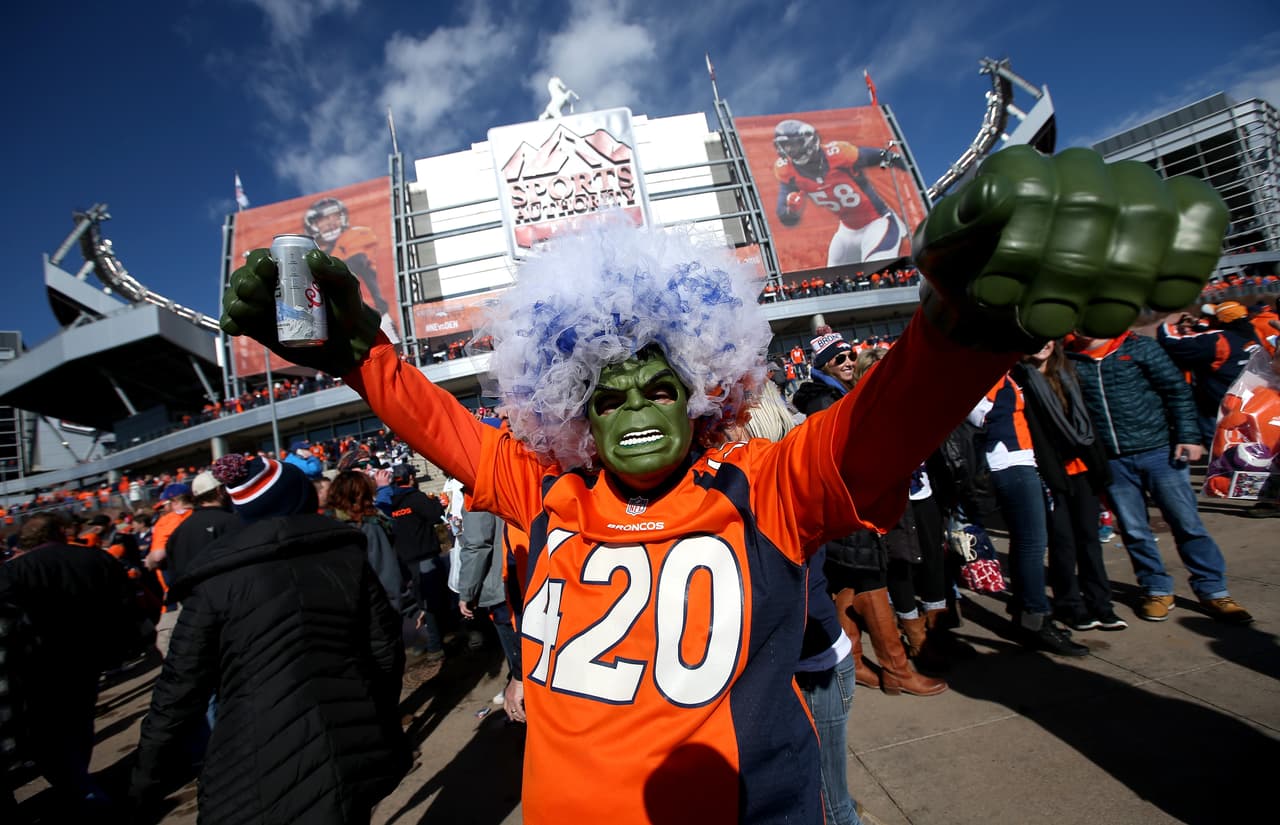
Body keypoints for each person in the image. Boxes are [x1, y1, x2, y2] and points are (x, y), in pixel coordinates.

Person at [222, 145, 1228, 824]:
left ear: (699, 384)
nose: (636, 411)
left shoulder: (765, 486)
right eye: (606, 396)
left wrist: (958, 331)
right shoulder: (543, 492)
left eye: (658, 383)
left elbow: (879, 426)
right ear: (571, 409)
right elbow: (441, 425)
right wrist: (364, 360)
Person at [130, 454, 410, 824]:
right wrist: (373, 712)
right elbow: (386, 652)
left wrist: (145, 777)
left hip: (254, 765)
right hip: (343, 747)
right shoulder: (345, 555)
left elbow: (178, 690)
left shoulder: (218, 582)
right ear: (297, 498)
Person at [794, 333, 951, 688]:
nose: (849, 362)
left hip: (854, 499)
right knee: (870, 579)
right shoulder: (823, 399)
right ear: (823, 367)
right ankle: (897, 670)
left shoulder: (838, 393)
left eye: (850, 355)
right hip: (847, 499)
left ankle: (858, 662)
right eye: (838, 359)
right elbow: (840, 453)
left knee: (850, 583)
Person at [1066, 329, 1253, 624]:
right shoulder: (1067, 357)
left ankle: (1214, 590)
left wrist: (1188, 436)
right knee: (1134, 529)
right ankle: (1155, 588)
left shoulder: (1140, 347)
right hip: (1112, 460)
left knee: (1187, 523)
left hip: (1159, 450)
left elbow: (1176, 390)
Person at [1, 512, 145, 819]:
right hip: (89, 656)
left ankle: (82, 791)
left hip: (41, 665)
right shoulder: (95, 558)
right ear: (58, 532)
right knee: (80, 721)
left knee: (48, 732)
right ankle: (81, 781)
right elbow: (125, 603)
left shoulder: (14, 571)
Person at [1015, 341, 1126, 632]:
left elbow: (1091, 418)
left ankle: (1102, 605)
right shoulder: (1019, 379)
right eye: (1035, 339)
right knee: (1062, 543)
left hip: (1084, 468)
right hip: (1050, 472)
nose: (1042, 344)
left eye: (1048, 338)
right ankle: (1070, 605)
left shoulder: (1071, 371)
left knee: (1089, 539)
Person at [773, 118, 909, 267]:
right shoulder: (787, 171)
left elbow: (882, 156)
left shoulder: (838, 154)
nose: (791, 150)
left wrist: (906, 170)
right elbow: (785, 218)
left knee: (877, 271)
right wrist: (791, 210)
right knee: (834, 280)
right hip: (846, 231)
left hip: (878, 222)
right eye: (786, 146)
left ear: (809, 140)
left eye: (794, 144)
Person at [1156, 300, 1263, 446]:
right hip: (1253, 401)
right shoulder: (1253, 333)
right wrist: (1196, 325)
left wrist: (1167, 324)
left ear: (1220, 320)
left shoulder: (1218, 340)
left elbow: (1173, 342)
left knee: (1222, 449)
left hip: (1219, 406)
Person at [386, 462, 450, 664]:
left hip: (405, 560)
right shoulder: (415, 497)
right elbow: (434, 516)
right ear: (411, 478)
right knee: (433, 602)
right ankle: (435, 646)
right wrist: (440, 504)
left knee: (420, 602)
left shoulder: (391, 502)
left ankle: (426, 641)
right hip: (425, 557)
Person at [304, 196, 391, 317]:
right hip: (339, 319)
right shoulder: (316, 253)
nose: (331, 222)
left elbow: (354, 265)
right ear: (314, 224)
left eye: (335, 216)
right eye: (324, 219)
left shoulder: (354, 235)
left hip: (371, 316)